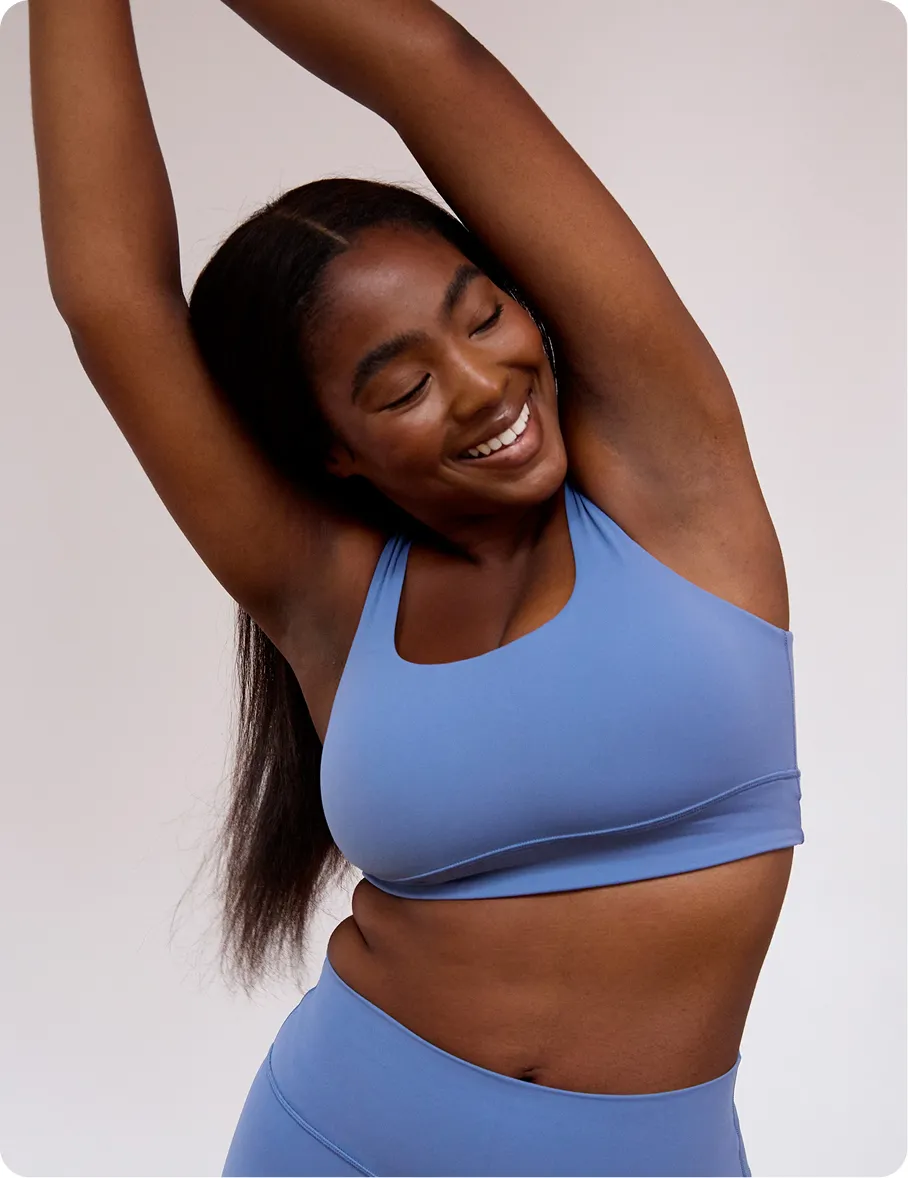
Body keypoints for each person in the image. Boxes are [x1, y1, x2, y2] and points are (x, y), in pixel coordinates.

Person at [29, 1, 805, 1174]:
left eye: (483, 316)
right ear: (333, 449)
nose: (483, 386)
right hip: (331, 1136)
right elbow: (110, 298)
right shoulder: (328, 595)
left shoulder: (676, 488)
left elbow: (426, 61)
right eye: (399, 390)